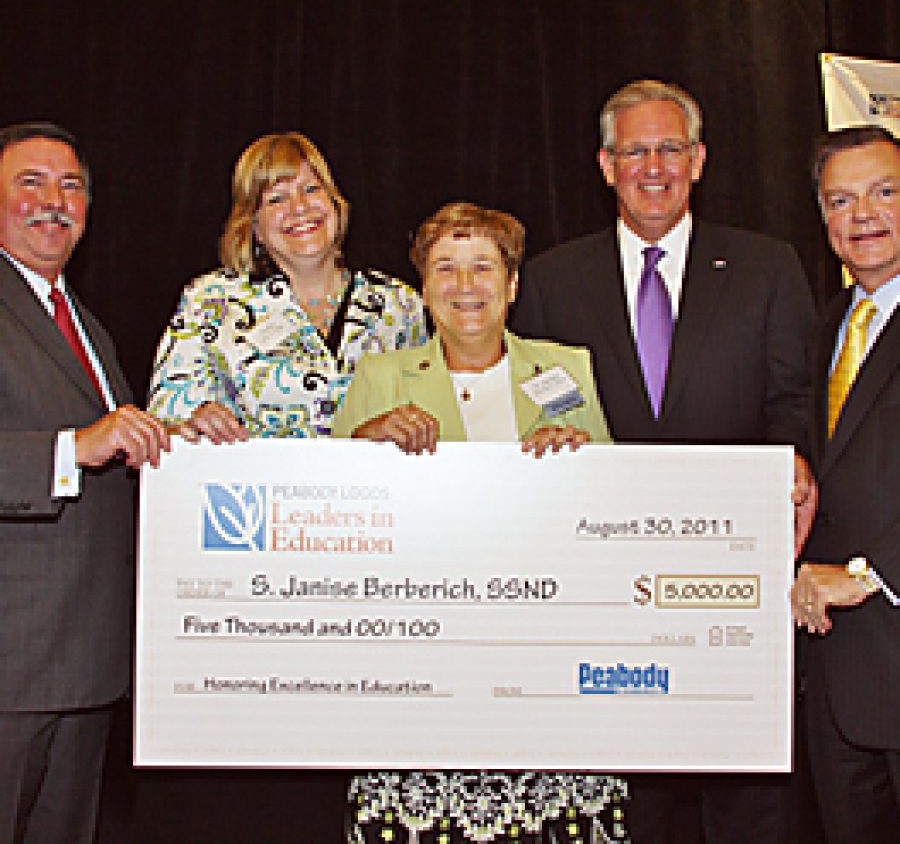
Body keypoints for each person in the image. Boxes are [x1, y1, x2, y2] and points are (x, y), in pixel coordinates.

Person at [513, 80, 817, 843]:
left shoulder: (768, 266)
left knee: (743, 791)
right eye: (635, 151)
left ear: (700, 159)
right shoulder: (552, 280)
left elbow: (793, 399)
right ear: (606, 165)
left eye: (670, 149)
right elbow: (538, 411)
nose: (655, 167)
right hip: (603, 586)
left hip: (732, 577)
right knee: (627, 790)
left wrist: (797, 463)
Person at [334, 201, 625, 843]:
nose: (466, 286)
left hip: (547, 665)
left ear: (513, 284)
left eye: (483, 267)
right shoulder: (381, 377)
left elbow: (611, 505)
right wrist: (367, 441)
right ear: (423, 289)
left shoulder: (564, 369)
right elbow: (332, 510)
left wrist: (575, 456)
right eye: (445, 268)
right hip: (421, 669)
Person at [0, 122, 170, 842]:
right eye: (29, 182)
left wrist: (182, 437)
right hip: (13, 665)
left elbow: (113, 453)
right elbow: (82, 447)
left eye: (71, 185)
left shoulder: (81, 322)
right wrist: (74, 446)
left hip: (86, 664)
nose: (53, 201)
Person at [148, 132, 426, 440]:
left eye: (311, 189)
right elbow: (165, 425)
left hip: (376, 486)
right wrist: (191, 424)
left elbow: (430, 412)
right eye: (276, 199)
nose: (300, 207)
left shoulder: (398, 304)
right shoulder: (211, 302)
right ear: (253, 225)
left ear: (334, 202)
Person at [791, 125, 900, 842]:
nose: (863, 214)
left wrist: (871, 574)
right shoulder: (822, 325)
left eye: (885, 192)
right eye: (841, 199)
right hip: (833, 674)